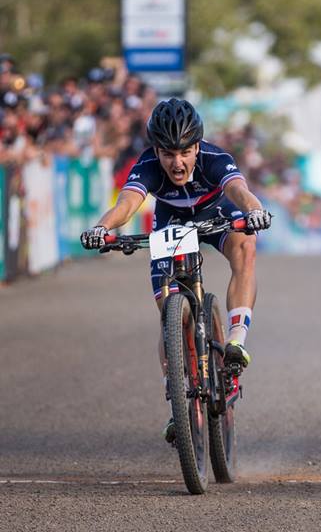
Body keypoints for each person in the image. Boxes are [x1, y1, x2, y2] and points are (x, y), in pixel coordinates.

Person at [80, 98, 271, 442]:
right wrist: (101, 228)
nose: (177, 161)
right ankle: (178, 404)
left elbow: (238, 191)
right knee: (171, 314)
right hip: (170, 226)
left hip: (216, 216)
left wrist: (255, 210)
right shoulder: (148, 164)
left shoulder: (215, 158)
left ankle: (235, 341)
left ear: (197, 146)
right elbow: (126, 204)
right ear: (157, 150)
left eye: (184, 152)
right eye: (168, 154)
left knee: (246, 244)